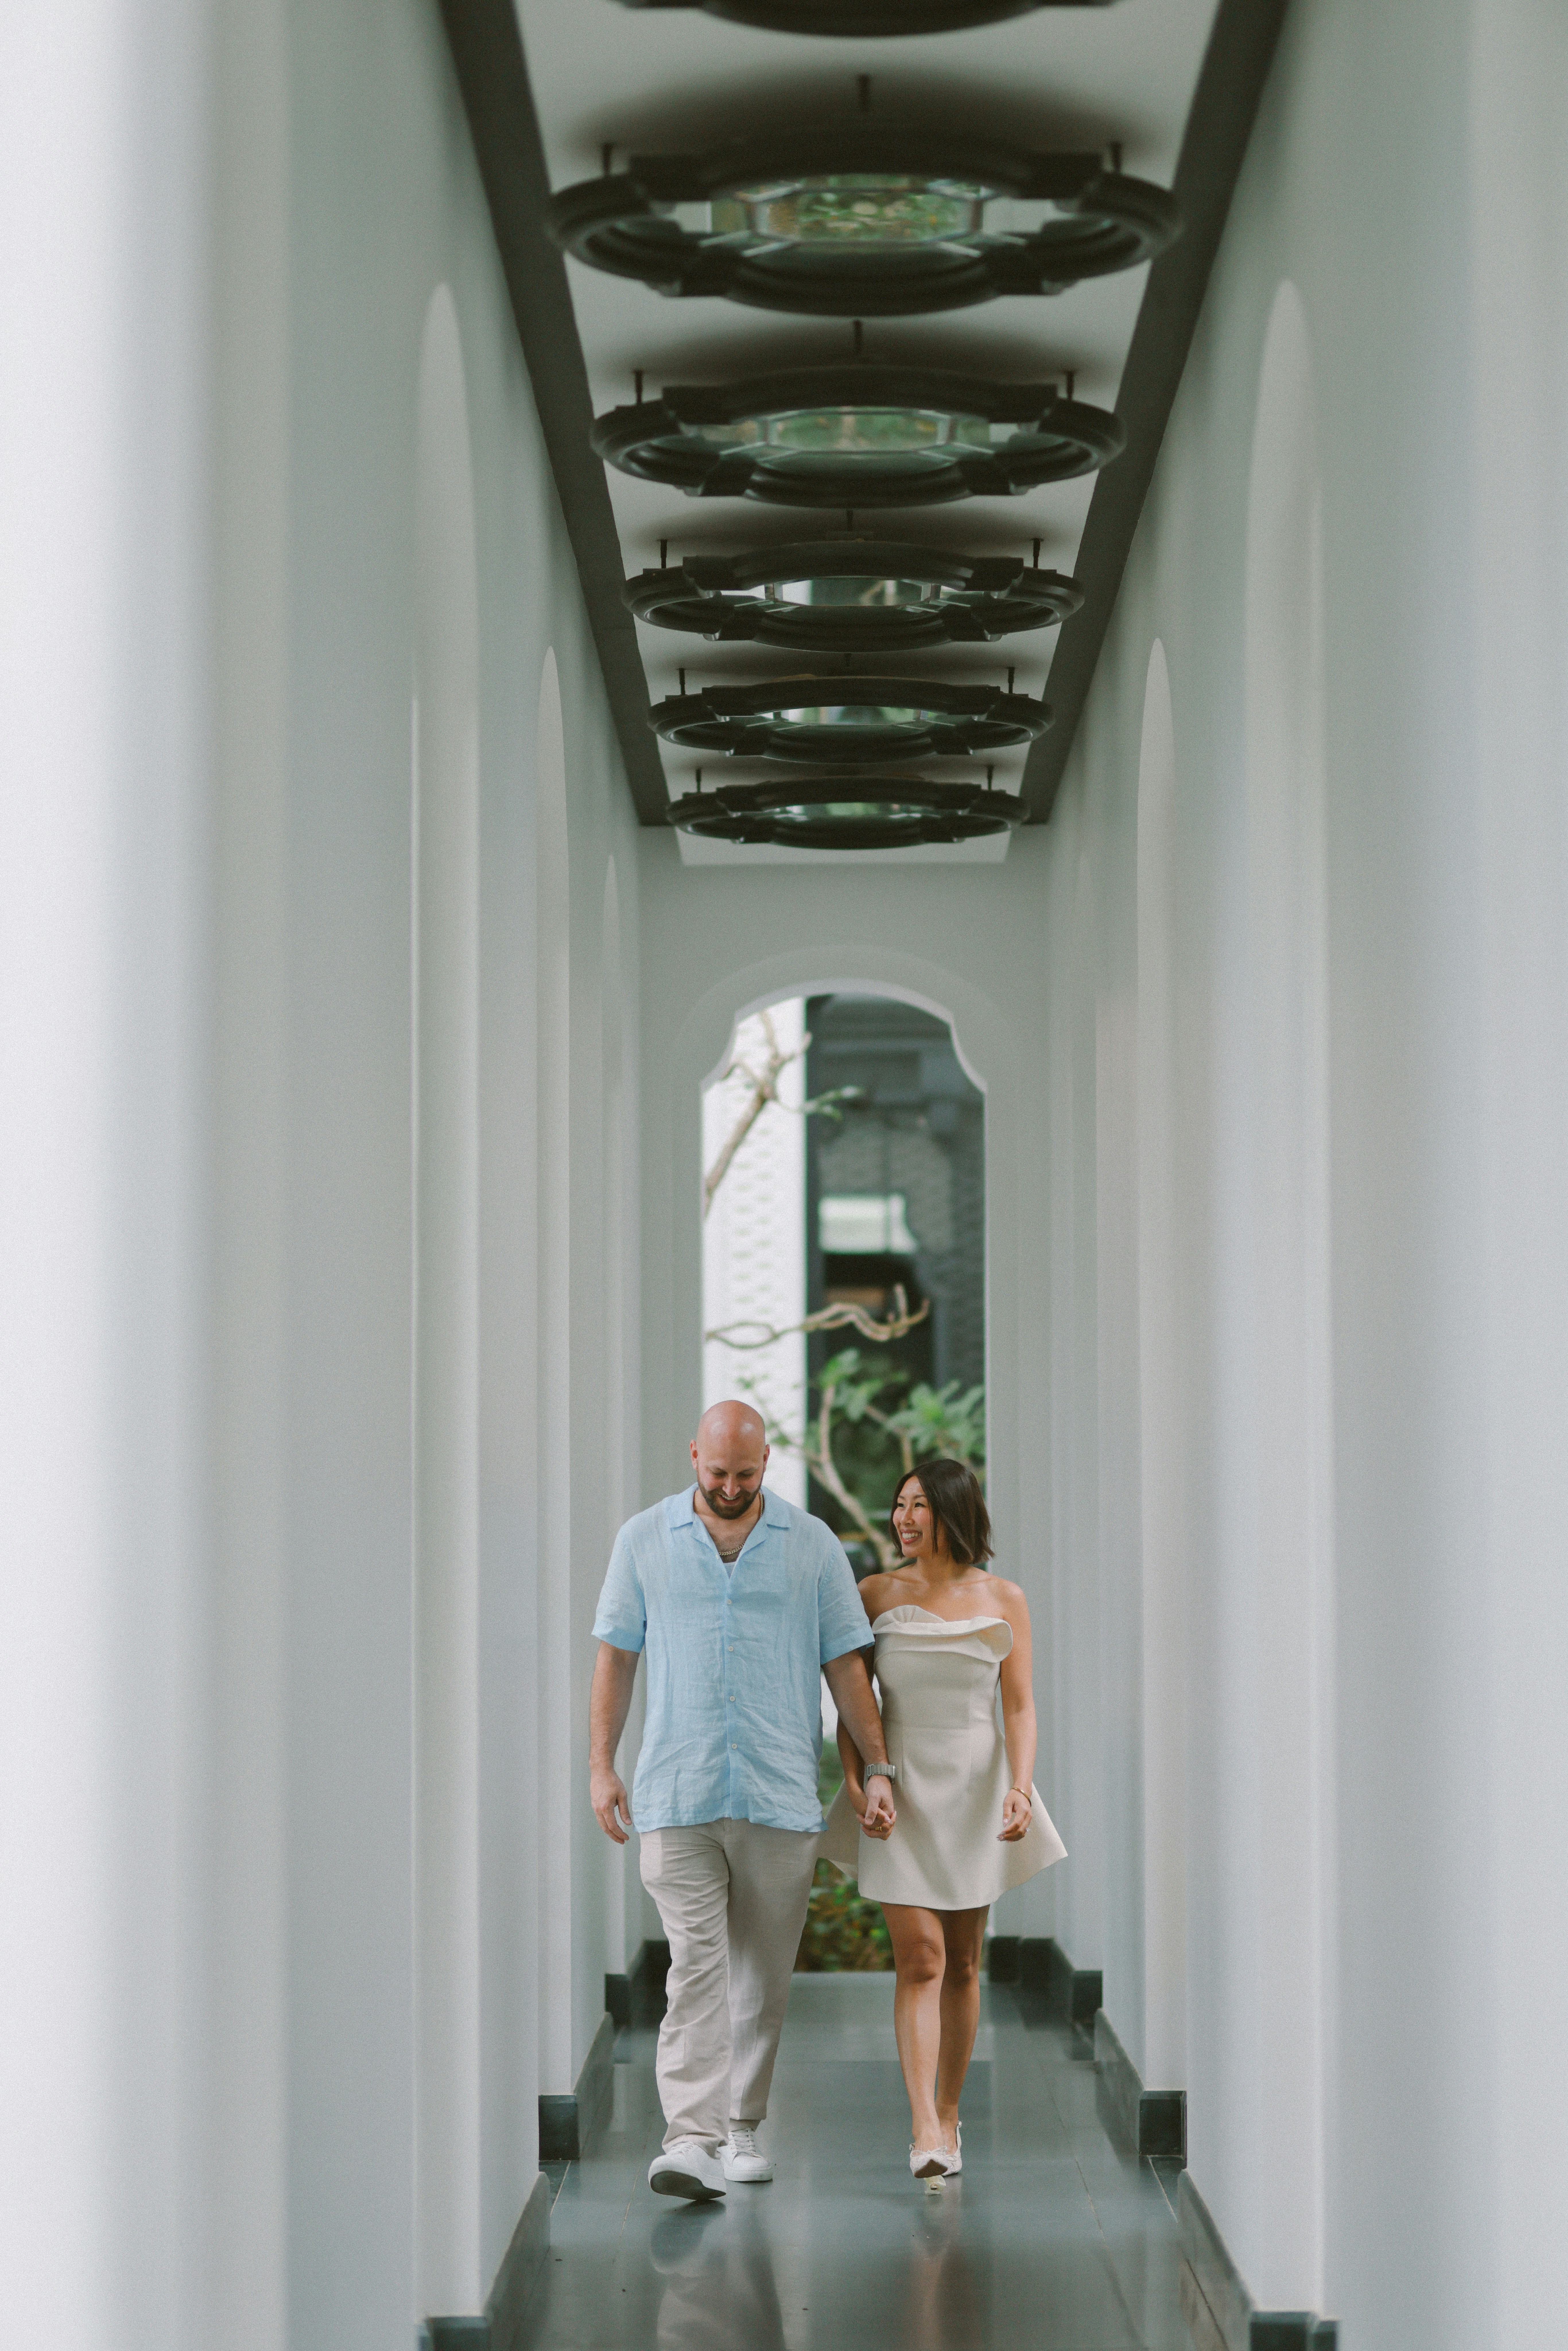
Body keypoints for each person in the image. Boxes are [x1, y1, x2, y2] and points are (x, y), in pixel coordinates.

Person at [590, 1399, 897, 2204]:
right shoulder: (643, 1541)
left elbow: (847, 1668)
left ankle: (744, 2126)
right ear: (693, 1455)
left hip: (778, 1789)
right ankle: (689, 2139)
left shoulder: (813, 1546)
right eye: (718, 1472)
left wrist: (879, 1769)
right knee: (695, 1966)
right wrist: (601, 1766)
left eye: (747, 1475)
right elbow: (616, 1659)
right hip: (676, 1789)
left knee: (762, 1974)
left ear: (769, 1467)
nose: (730, 1488)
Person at [822, 1457, 1065, 2182]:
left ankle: (951, 2113)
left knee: (962, 1961)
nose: (901, 1518)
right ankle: (921, 2125)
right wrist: (863, 1779)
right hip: (896, 1789)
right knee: (920, 1956)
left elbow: (1017, 1706)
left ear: (952, 1510)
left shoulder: (1005, 1597)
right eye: (897, 1505)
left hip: (976, 1787)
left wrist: (1020, 1787)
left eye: (917, 1505)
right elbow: (850, 1704)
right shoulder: (871, 1594)